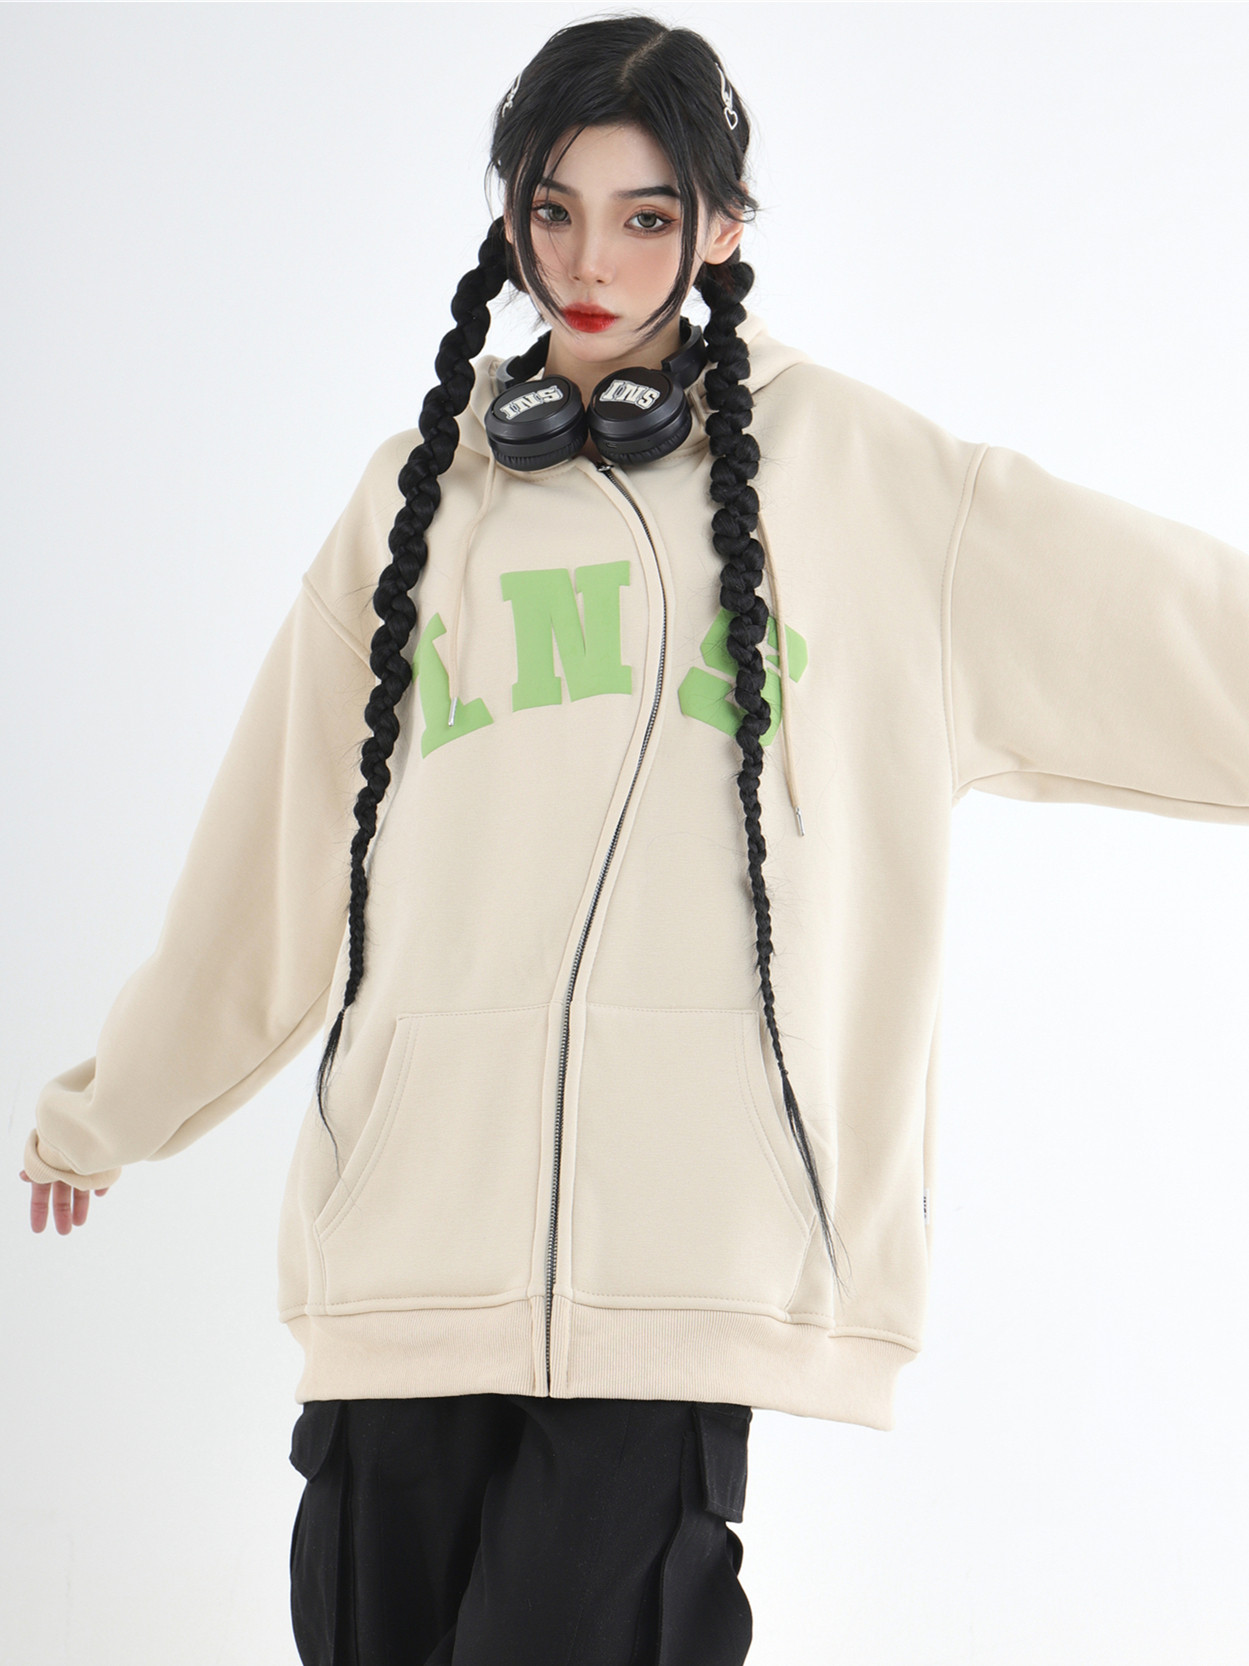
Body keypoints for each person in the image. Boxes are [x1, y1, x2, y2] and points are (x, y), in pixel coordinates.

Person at [19, 12, 1249, 1666]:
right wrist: (109, 1111)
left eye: (645, 214)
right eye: (554, 209)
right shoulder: (415, 499)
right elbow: (267, 858)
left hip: (689, 1256)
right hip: (405, 1247)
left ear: (723, 225)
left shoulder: (876, 485)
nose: (590, 261)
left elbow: (1174, 636)